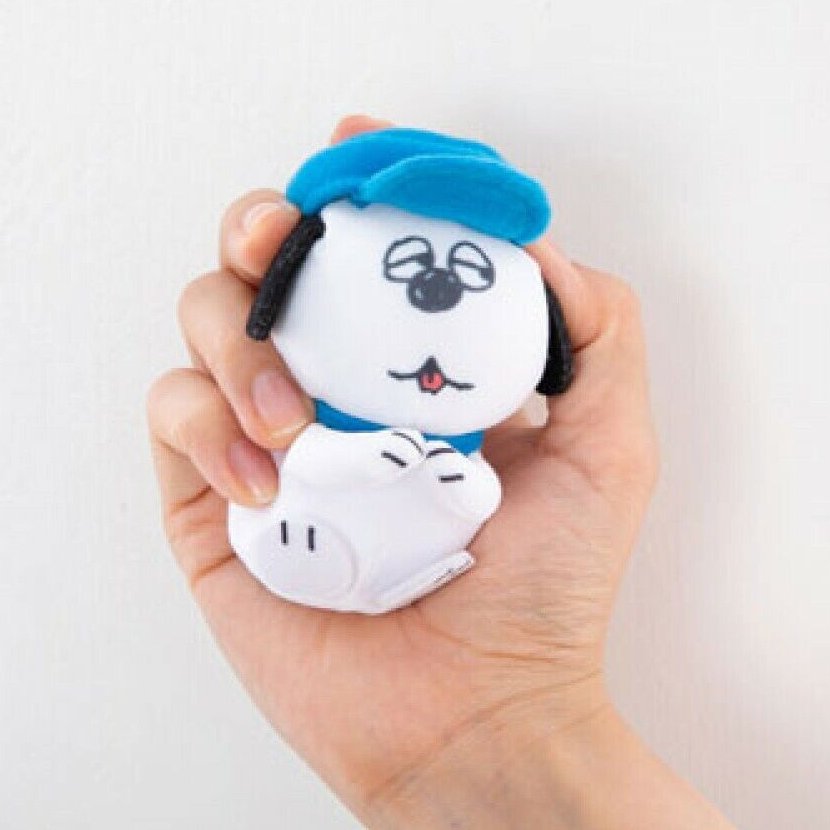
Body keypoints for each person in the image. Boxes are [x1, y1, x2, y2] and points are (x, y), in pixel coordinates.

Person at [146, 115, 735, 829]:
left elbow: (475, 494)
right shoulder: (304, 421)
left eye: (471, 274)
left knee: (460, 487)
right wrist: (362, 457)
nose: (437, 289)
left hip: (430, 555)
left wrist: (513, 719)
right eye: (408, 267)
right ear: (285, 280)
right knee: (309, 478)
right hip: (297, 523)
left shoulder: (472, 452)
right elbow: (314, 458)